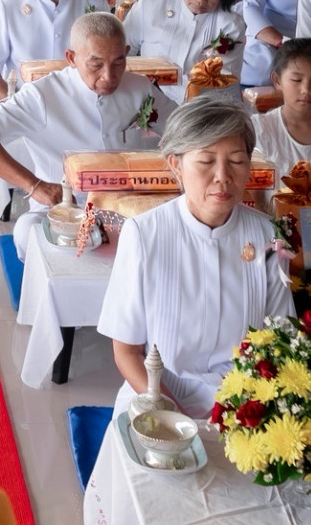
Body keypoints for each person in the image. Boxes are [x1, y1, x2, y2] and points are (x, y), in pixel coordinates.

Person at [87, 95, 292, 441]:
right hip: (156, 394)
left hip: (246, 399)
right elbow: (126, 352)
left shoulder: (266, 235)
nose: (222, 177)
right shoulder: (145, 234)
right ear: (176, 165)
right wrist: (173, 414)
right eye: (206, 161)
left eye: (237, 161)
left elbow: (281, 338)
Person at [0, 12, 162, 220]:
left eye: (118, 62)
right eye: (96, 65)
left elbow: (177, 129)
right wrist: (35, 185)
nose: (108, 76)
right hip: (64, 208)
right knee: (27, 227)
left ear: (126, 53)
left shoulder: (140, 87)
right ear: (71, 58)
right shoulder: (43, 94)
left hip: (130, 205)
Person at [130, 0, 247, 84]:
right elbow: (121, 54)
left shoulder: (230, 26)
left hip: (198, 95)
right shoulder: (150, 6)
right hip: (146, 90)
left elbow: (224, 80)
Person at [250, 37, 311, 177]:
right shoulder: (259, 129)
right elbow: (256, 186)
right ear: (277, 80)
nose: (306, 90)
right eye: (297, 80)